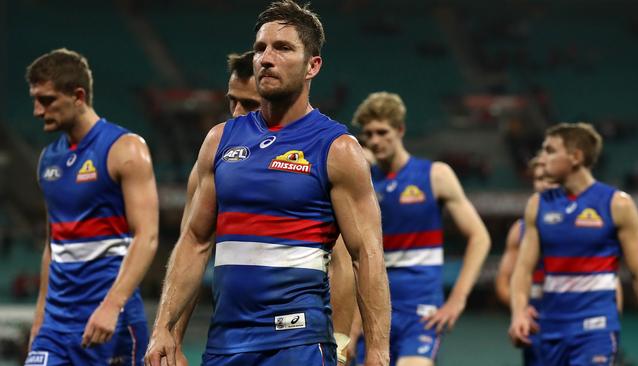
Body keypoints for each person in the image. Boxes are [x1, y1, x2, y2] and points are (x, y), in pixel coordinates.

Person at [144, 1, 391, 366]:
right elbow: (194, 242)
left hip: (297, 345)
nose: (266, 58)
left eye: (283, 48)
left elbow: (365, 256)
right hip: (225, 345)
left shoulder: (337, 149)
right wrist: (164, 328)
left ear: (313, 65)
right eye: (260, 48)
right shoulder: (219, 141)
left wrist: (378, 354)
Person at [170, 51, 357, 366]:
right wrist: (172, 338)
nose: (238, 112)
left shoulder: (313, 160)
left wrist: (339, 342)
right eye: (233, 101)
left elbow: (342, 261)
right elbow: (192, 250)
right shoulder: (215, 160)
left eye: (250, 104)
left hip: (297, 342)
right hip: (227, 344)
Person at [25, 48, 158, 365]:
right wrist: (39, 321)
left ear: (78, 95)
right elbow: (51, 246)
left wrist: (113, 305)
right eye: (34, 100)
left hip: (111, 321)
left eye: (46, 100)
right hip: (55, 326)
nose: (37, 111)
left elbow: (148, 236)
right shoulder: (48, 160)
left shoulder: (125, 149)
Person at [350, 92, 491, 366]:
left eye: (382, 132)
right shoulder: (362, 181)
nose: (375, 140)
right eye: (369, 134)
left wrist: (457, 300)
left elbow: (480, 237)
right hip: (374, 308)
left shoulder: (435, 175)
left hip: (421, 308)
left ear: (400, 130)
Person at [509, 122, 638, 365]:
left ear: (575, 157)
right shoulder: (537, 205)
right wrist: (518, 312)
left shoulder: (617, 205)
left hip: (596, 329)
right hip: (548, 330)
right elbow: (522, 270)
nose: (542, 158)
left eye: (550, 150)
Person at [495, 155, 556, 366]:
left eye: (550, 178)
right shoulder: (519, 231)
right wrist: (519, 310)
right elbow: (503, 282)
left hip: (581, 318)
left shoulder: (586, 223)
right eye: (539, 178)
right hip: (537, 323)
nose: (545, 184)